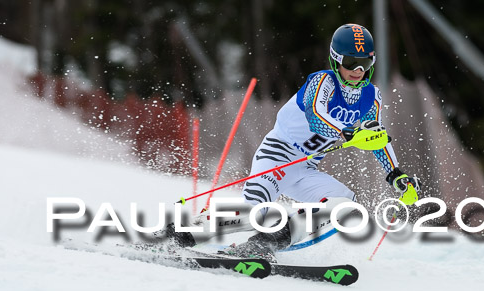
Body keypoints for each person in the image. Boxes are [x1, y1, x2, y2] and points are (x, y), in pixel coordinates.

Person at [172, 23, 421, 259]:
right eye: (351, 62)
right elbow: (316, 117)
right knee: (254, 214)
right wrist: (349, 134)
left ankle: (264, 243)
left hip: (305, 169)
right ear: (336, 60)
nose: (358, 70)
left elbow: (378, 137)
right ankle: (179, 237)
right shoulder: (321, 82)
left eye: (365, 62)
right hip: (277, 157)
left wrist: (396, 175)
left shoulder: (371, 96)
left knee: (344, 207)